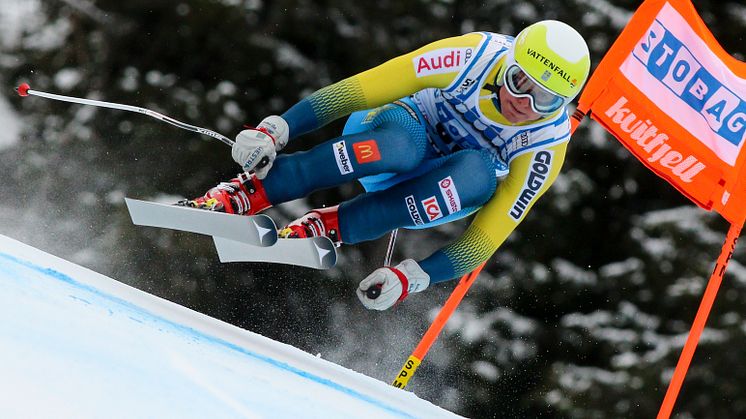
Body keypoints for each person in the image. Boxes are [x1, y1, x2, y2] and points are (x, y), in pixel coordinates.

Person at [183, 20, 590, 311]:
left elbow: (485, 240)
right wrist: (279, 128)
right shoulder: (473, 56)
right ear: (508, 65)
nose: (526, 104)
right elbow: (363, 88)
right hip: (391, 130)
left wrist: (412, 277)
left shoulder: (546, 144)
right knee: (404, 147)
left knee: (478, 173)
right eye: (521, 83)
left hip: (436, 187)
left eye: (547, 100)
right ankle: (252, 192)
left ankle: (331, 226)